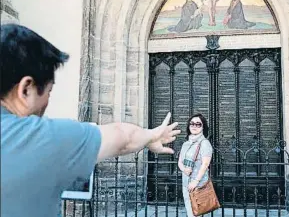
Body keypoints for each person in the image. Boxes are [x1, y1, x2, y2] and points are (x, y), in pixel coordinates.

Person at [0, 24, 180, 217]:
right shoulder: (36, 137)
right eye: (49, 92)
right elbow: (123, 138)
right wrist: (152, 135)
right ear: (26, 89)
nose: (47, 103)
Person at [178, 114, 213, 217]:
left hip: (199, 185)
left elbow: (205, 164)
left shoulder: (205, 143)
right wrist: (184, 169)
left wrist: (195, 181)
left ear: (203, 127)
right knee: (190, 212)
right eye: (192, 124)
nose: (194, 126)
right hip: (186, 184)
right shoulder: (186, 144)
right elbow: (180, 162)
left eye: (198, 124)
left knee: (200, 213)